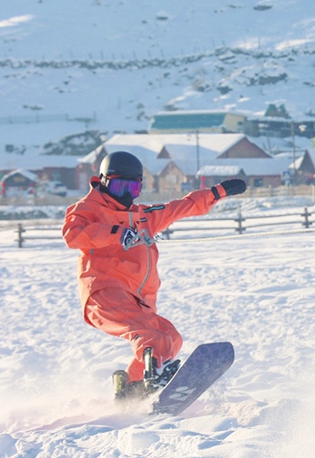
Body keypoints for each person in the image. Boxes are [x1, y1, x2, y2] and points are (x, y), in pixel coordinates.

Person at [62, 151, 248, 401]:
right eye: (119, 186)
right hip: (104, 293)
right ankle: (155, 375)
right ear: (104, 182)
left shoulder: (143, 216)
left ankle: (131, 390)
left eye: (133, 187)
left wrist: (218, 192)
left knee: (170, 338)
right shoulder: (88, 209)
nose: (126, 194)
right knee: (151, 339)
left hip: (138, 301)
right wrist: (117, 233)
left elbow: (179, 207)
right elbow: (74, 233)